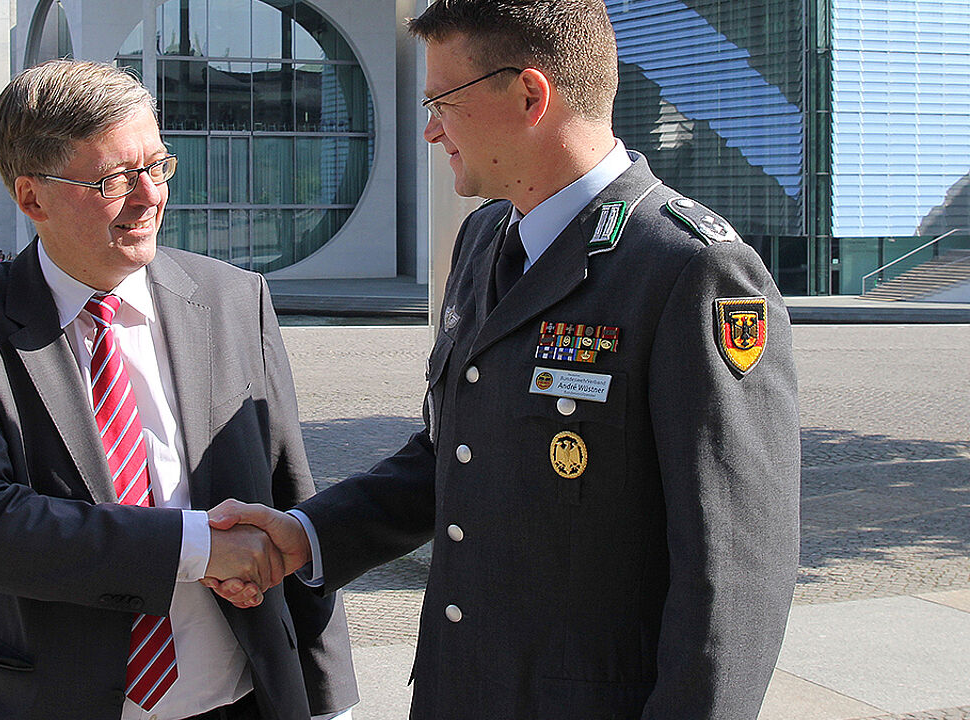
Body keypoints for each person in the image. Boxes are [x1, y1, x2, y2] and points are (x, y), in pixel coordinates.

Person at [205, 1, 801, 718]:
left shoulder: (688, 271)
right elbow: (455, 454)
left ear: (528, 95)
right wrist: (310, 534)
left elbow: (734, 579)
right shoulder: (488, 237)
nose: (429, 128)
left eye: (442, 102)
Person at [0, 59, 357, 720]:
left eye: (157, 165)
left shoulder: (236, 301)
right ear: (32, 198)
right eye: (113, 179)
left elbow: (290, 502)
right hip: (49, 702)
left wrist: (326, 698)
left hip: (242, 701)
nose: (149, 196)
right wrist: (195, 547)